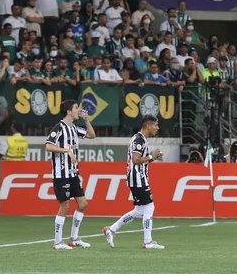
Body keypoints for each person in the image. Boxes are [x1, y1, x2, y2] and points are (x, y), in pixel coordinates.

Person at [103, 116, 165, 250]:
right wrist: (151, 156)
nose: (157, 128)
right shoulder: (138, 140)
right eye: (155, 125)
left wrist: (153, 158)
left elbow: (139, 160)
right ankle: (147, 242)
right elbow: (136, 160)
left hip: (139, 177)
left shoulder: (141, 139)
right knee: (149, 207)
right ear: (147, 126)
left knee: (139, 211)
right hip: (137, 178)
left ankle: (111, 229)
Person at [45, 99, 96, 250]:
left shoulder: (74, 128)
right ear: (68, 111)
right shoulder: (59, 127)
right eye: (76, 108)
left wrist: (86, 120)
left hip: (73, 173)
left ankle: (73, 238)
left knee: (83, 204)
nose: (78, 110)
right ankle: (58, 242)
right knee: (65, 206)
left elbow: (92, 135)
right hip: (61, 174)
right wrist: (66, 150)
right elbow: (48, 146)